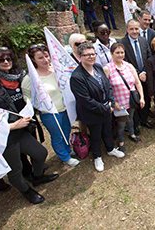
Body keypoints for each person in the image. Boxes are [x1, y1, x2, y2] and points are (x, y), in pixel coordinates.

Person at [0, 46, 58, 204]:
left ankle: (37, 177)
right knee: (15, 170)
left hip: (19, 131)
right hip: (4, 138)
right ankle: (26, 191)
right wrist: (13, 126)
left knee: (40, 153)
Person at [0, 47, 45, 179]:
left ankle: (37, 168)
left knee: (34, 144)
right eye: (1, 60)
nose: (5, 62)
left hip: (27, 116)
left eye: (8, 58)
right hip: (11, 123)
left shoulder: (20, 75)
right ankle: (26, 173)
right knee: (20, 152)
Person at [70, 42, 125, 171]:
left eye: (93, 54)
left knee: (107, 130)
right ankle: (97, 157)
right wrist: (105, 108)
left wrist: (111, 101)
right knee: (95, 135)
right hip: (92, 112)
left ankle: (111, 149)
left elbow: (108, 85)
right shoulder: (77, 77)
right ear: (80, 56)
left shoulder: (98, 67)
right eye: (87, 55)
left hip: (107, 108)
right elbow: (85, 100)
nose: (91, 57)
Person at [22, 44, 80, 167]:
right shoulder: (30, 78)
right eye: (40, 58)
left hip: (65, 108)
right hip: (50, 113)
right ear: (33, 60)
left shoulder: (56, 70)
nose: (45, 60)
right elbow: (27, 98)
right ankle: (65, 157)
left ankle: (68, 149)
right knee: (57, 135)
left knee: (66, 131)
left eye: (46, 56)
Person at [105, 43, 145, 146]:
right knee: (121, 123)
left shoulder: (129, 66)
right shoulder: (107, 69)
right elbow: (105, 89)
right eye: (117, 52)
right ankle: (121, 140)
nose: (120, 55)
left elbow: (137, 83)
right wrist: (113, 102)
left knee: (130, 118)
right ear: (111, 53)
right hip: (119, 103)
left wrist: (142, 97)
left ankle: (132, 134)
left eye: (122, 52)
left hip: (131, 99)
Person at [119, 20, 153, 132]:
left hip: (145, 76)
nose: (134, 31)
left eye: (136, 29)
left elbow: (149, 57)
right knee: (134, 101)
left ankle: (144, 119)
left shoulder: (143, 41)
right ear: (127, 30)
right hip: (130, 78)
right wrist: (138, 74)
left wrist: (145, 72)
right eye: (131, 29)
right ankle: (135, 124)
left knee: (146, 99)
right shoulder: (122, 43)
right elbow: (125, 61)